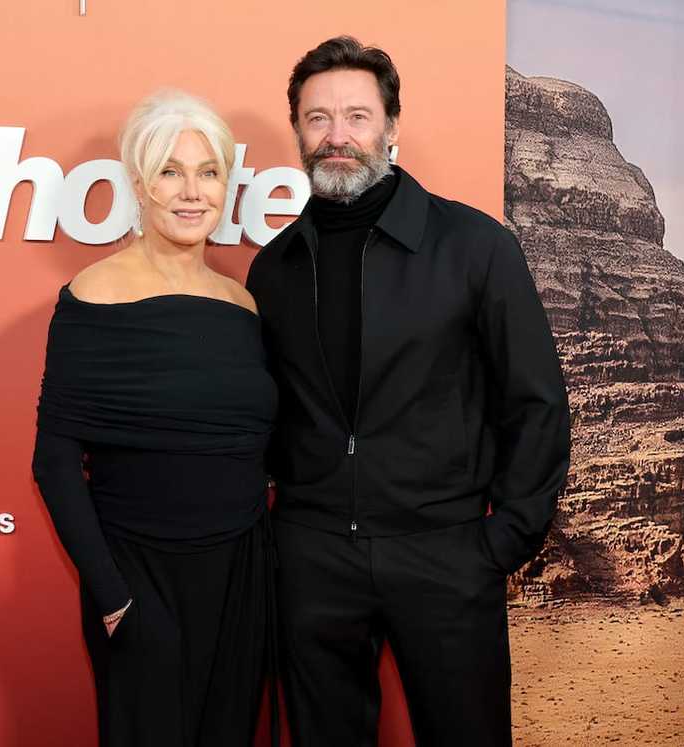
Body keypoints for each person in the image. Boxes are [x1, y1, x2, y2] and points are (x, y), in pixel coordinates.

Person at [246, 36, 571, 746]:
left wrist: (500, 540)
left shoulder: (477, 246)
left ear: (391, 127)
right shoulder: (273, 270)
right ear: (298, 130)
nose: (338, 136)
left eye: (358, 117)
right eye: (318, 118)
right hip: (312, 558)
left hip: (447, 553)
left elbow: (537, 399)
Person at [31, 90, 277, 747]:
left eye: (209, 171)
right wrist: (113, 598)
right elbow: (54, 462)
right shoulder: (94, 294)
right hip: (139, 577)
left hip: (241, 573)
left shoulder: (242, 304)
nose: (191, 191)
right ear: (139, 186)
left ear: (227, 184)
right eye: (171, 172)